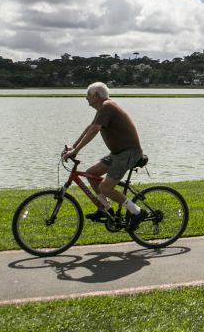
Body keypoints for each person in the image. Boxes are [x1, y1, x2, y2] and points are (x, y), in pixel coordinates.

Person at [63, 82, 147, 227]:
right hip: (117, 153)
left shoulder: (108, 106)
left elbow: (95, 129)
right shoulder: (104, 108)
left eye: (88, 95)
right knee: (91, 174)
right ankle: (106, 209)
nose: (86, 98)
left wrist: (75, 151)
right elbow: (90, 128)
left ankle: (138, 212)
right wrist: (73, 147)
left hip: (128, 153)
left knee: (105, 188)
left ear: (96, 95)